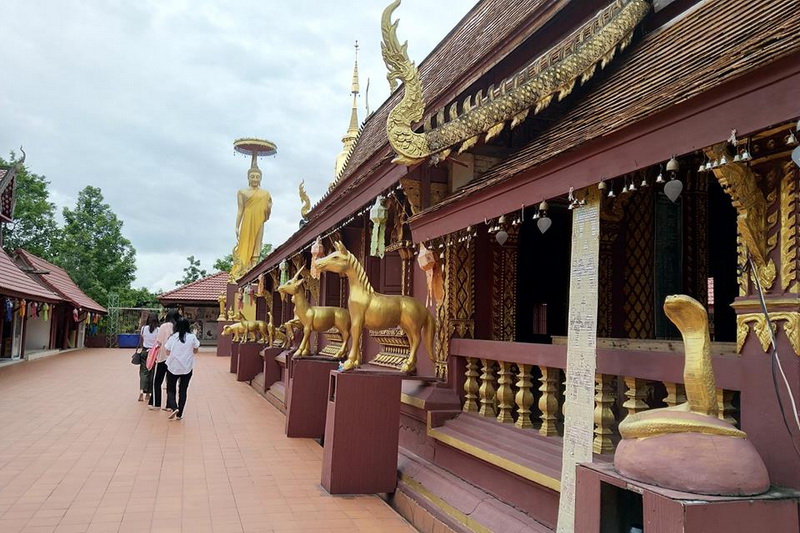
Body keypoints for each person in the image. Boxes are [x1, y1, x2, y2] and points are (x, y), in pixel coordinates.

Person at [231, 166, 272, 278]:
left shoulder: (265, 193)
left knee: (257, 241)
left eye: (257, 177)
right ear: (248, 178)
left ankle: (254, 264)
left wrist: (268, 207)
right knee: (245, 242)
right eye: (252, 176)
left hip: (259, 220)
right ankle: (242, 266)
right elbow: (240, 210)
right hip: (247, 220)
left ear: (261, 178)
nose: (255, 179)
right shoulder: (242, 192)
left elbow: (267, 211)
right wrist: (236, 226)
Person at [164, 317, 199, 420]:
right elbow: (196, 350)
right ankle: (180, 414)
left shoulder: (173, 337)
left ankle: (174, 407)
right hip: (187, 367)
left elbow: (167, 351)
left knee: (171, 389)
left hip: (173, 367)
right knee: (183, 390)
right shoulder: (192, 337)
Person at [148, 308, 179, 411]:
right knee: (171, 383)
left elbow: (159, 342)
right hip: (173, 359)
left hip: (162, 358)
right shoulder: (178, 327)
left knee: (157, 381)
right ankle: (169, 405)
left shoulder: (163, 326)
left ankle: (156, 403)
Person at [137, 313, 159, 402]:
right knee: (151, 373)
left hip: (144, 352)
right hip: (153, 353)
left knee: (143, 372)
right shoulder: (158, 330)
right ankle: (148, 394)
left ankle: (141, 391)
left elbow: (142, 339)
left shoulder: (143, 329)